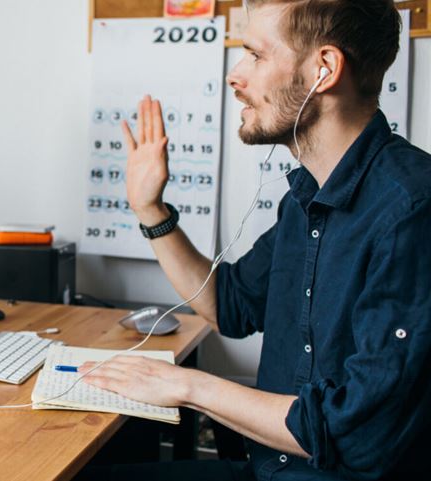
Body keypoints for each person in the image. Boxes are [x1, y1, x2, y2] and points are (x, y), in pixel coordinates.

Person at [76, 2, 431, 480]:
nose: (235, 76)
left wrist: (188, 387)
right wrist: (150, 210)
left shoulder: (411, 210)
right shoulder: (305, 198)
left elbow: (356, 436)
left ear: (324, 69)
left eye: (255, 56)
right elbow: (230, 304)